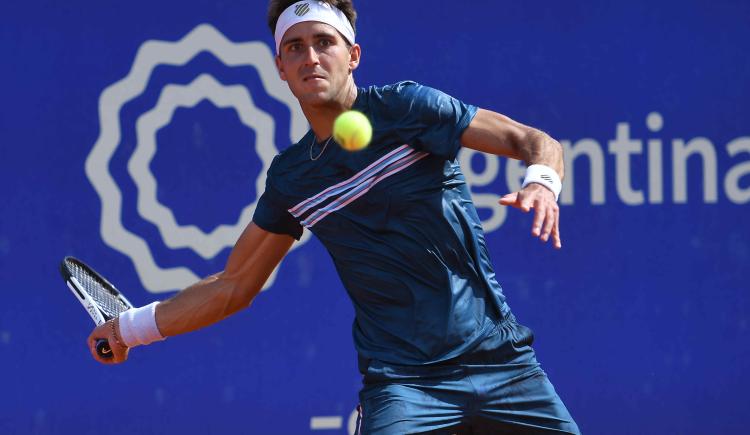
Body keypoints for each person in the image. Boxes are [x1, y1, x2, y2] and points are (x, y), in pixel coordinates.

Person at [89, 1, 580, 433]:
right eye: (295, 47)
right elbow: (233, 285)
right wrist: (128, 329)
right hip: (404, 383)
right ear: (280, 67)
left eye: (324, 42)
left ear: (353, 55)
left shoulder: (408, 108)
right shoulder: (293, 179)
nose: (311, 57)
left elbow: (532, 142)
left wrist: (541, 182)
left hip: (503, 363)